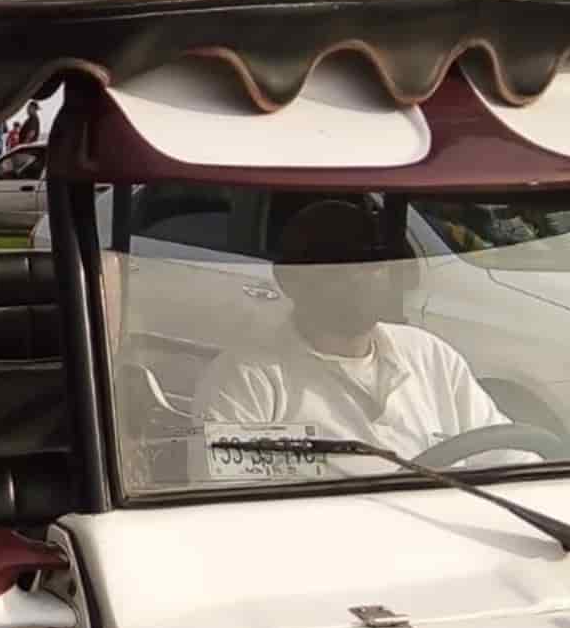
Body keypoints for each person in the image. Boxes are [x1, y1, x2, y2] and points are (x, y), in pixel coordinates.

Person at [193, 200, 523, 473]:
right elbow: (231, 513)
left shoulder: (431, 356)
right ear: (289, 280)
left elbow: (509, 456)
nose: (361, 276)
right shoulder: (245, 382)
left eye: (372, 260)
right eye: (338, 264)